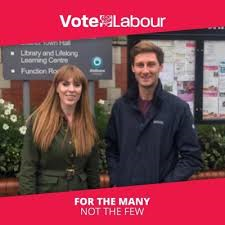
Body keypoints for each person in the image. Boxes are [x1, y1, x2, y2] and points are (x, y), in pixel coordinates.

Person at [106, 41, 202, 187]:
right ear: (133, 68)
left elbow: (192, 158)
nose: (145, 71)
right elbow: (112, 149)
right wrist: (117, 178)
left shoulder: (178, 109)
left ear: (160, 67)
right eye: (140, 65)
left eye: (151, 64)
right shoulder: (120, 107)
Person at [19, 64, 99, 194]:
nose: (71, 89)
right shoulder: (38, 121)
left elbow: (93, 169)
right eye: (65, 84)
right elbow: (28, 168)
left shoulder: (89, 122)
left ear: (82, 90)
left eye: (77, 85)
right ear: (56, 87)